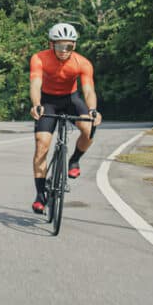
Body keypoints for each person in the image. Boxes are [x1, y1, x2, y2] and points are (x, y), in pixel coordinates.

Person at [29, 22, 101, 214]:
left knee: (89, 129)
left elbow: (88, 89)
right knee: (41, 144)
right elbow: (35, 84)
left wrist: (93, 110)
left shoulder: (83, 63)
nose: (64, 50)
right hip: (48, 101)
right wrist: (36, 104)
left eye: (68, 46)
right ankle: (40, 195)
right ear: (51, 44)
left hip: (71, 99)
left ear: (74, 46)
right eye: (60, 45)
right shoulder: (39, 58)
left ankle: (74, 160)